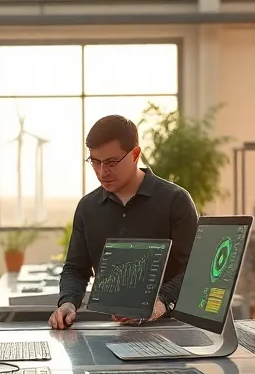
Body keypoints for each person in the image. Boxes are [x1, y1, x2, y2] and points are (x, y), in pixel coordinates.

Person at [49, 115, 199, 330]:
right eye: (95, 162)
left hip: (172, 328)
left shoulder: (175, 201)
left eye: (111, 162)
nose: (102, 172)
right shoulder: (87, 207)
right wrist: (68, 303)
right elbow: (76, 268)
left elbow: (194, 268)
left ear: (136, 154)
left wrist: (161, 302)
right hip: (111, 331)